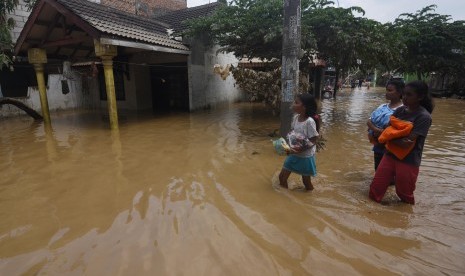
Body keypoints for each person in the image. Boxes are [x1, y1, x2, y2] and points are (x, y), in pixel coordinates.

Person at [369, 81, 434, 204]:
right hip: (389, 155)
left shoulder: (424, 117)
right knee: (375, 189)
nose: (404, 97)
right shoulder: (400, 111)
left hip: (408, 161)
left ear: (420, 97)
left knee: (405, 196)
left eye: (409, 95)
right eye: (404, 94)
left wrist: (387, 137)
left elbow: (407, 143)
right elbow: (389, 131)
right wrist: (388, 136)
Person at [279, 94, 320, 191]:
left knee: (306, 182)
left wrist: (299, 149)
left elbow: (314, 140)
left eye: (296, 102)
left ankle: (310, 198)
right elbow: (293, 132)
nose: (293, 104)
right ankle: (285, 199)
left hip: (305, 156)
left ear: (304, 107)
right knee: (282, 178)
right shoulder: (295, 117)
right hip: (293, 153)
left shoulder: (309, 122)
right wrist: (287, 145)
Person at [367, 80, 404, 171]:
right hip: (378, 145)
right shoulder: (382, 106)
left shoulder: (403, 110)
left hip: (391, 147)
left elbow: (398, 131)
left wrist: (378, 131)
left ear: (400, 92)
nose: (387, 93)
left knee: (389, 174)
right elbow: (368, 121)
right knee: (378, 170)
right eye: (386, 90)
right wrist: (378, 131)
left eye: (390, 90)